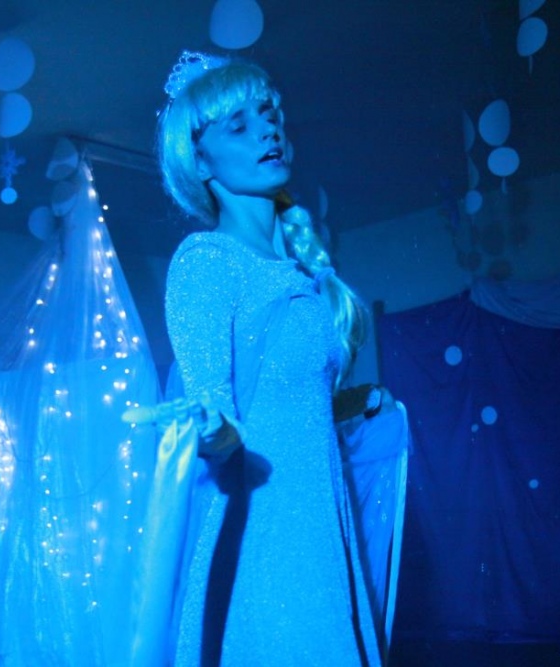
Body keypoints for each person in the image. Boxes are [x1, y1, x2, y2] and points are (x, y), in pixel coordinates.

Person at [145, 51, 403, 667]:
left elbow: (287, 404)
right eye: (238, 124)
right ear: (198, 159)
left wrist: (356, 402)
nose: (267, 130)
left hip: (320, 521)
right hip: (264, 526)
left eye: (269, 115)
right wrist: (211, 431)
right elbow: (218, 416)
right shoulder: (206, 262)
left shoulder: (300, 271)